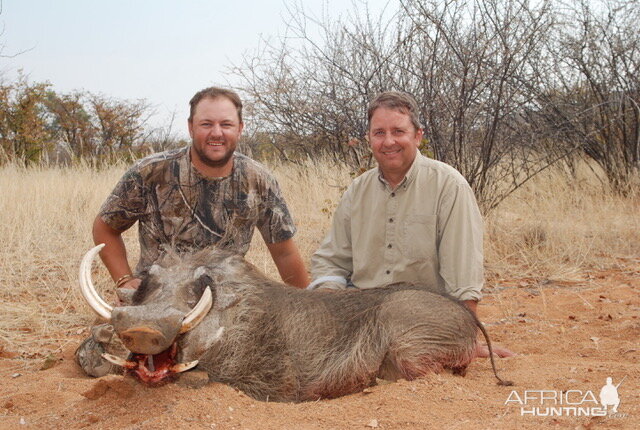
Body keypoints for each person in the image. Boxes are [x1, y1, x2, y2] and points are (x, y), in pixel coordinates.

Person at [77, 87, 309, 376]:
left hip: (225, 301)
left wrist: (305, 310)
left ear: (240, 128)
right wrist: (126, 281)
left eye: (226, 124)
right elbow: (105, 228)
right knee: (99, 361)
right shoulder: (150, 172)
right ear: (190, 127)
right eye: (206, 124)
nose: (216, 133)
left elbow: (284, 252)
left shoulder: (259, 179)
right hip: (155, 297)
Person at [309, 91, 513, 358]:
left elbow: (463, 273)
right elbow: (332, 261)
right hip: (361, 318)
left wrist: (465, 340)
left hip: (423, 320)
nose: (388, 141)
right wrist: (328, 307)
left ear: (417, 135)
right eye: (379, 133)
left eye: (398, 131)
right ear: (369, 138)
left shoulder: (449, 186)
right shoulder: (357, 190)